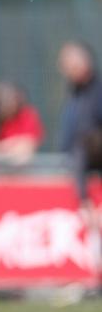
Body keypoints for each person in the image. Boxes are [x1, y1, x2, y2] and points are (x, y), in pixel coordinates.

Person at [59, 40, 102, 211]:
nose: (69, 68)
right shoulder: (75, 93)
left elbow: (84, 142)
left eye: (73, 62)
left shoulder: (97, 91)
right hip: (79, 166)